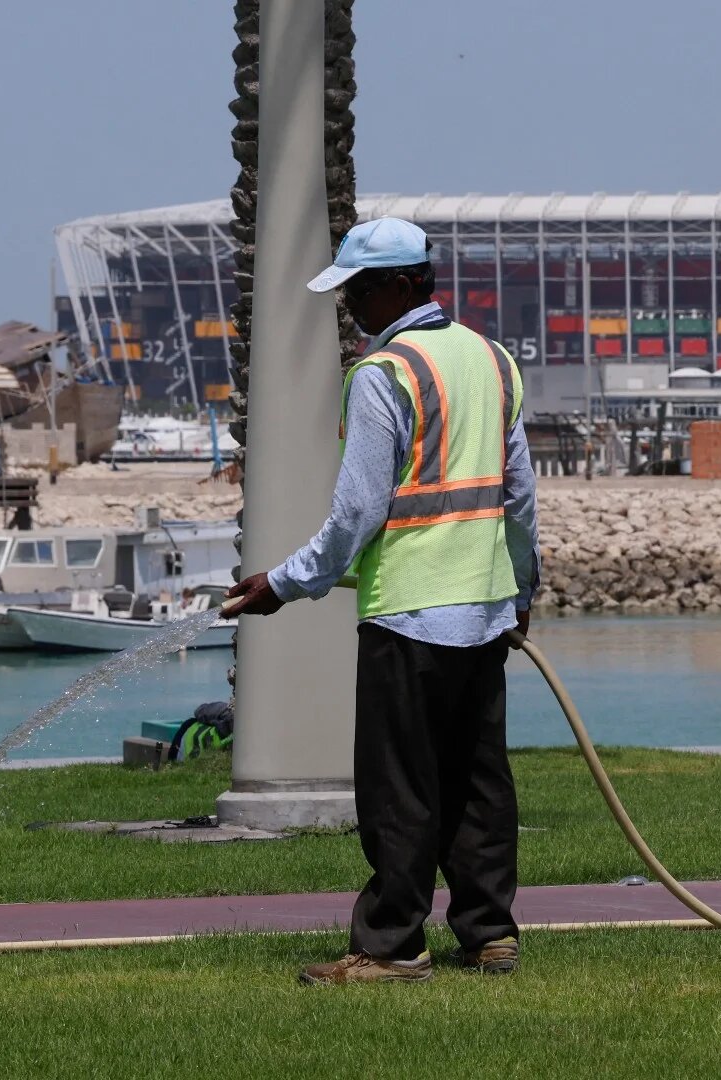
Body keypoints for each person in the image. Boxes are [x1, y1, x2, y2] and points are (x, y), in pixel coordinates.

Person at [226, 217, 539, 986]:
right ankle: (490, 933)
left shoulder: (384, 374)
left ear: (402, 284)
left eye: (360, 292)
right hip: (484, 608)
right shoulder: (494, 361)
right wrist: (523, 588)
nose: (352, 309)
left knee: (400, 790)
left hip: (409, 610)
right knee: (478, 782)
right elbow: (521, 495)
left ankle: (392, 945)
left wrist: (283, 584)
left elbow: (358, 512)